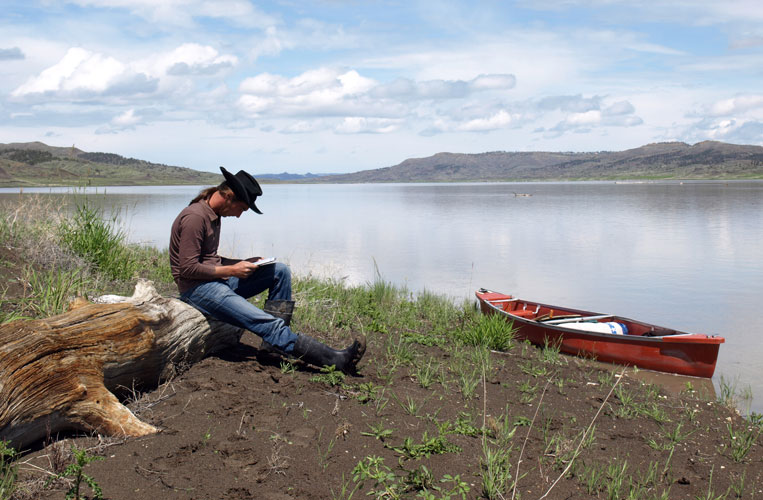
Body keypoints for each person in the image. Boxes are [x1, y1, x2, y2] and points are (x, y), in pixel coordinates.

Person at [169, 166, 365, 373]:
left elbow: (209, 259)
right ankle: (335, 360)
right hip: (197, 290)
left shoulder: (213, 214)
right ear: (229, 197)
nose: (238, 216)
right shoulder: (195, 217)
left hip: (214, 282)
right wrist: (232, 271)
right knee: (264, 322)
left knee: (279, 271)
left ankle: (272, 347)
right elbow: (187, 269)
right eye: (242, 209)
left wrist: (243, 262)